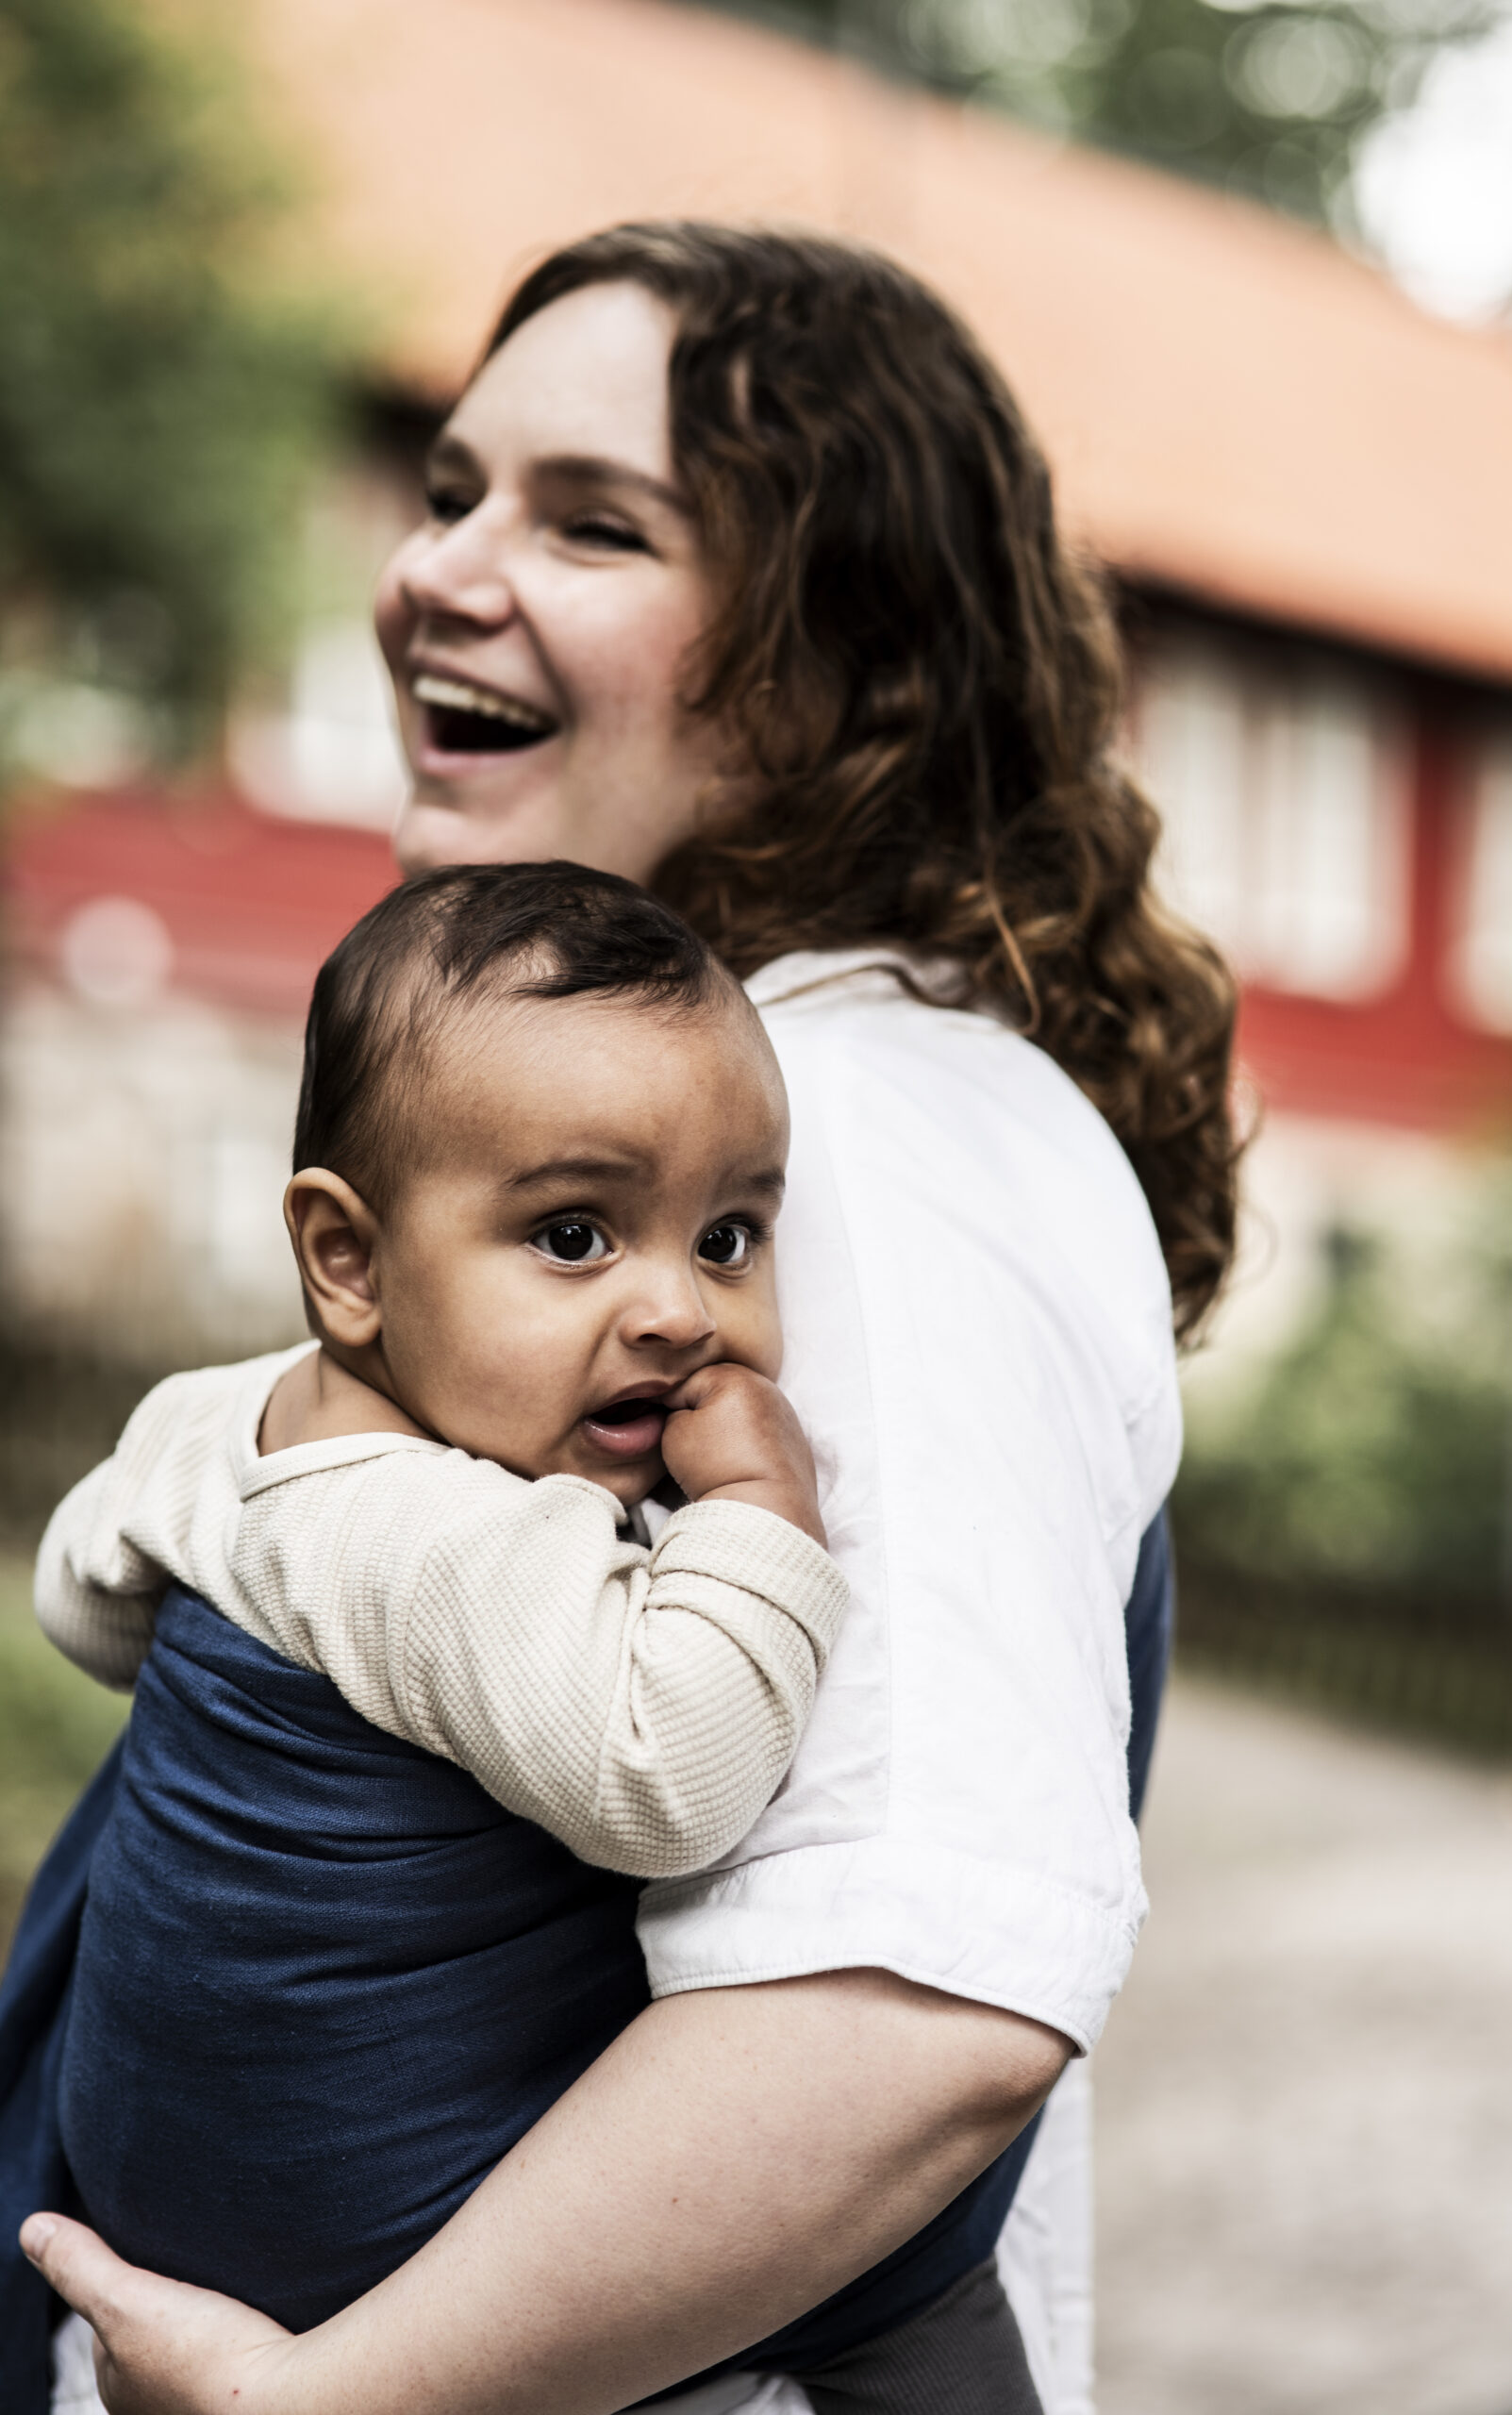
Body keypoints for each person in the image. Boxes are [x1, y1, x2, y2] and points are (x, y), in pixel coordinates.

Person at [17, 223, 1238, 2415]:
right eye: (453, 489)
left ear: (839, 676)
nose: (440, 572)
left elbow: (918, 1995)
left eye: (593, 521)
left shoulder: (864, 1123)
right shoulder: (731, 1107)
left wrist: (338, 2396)